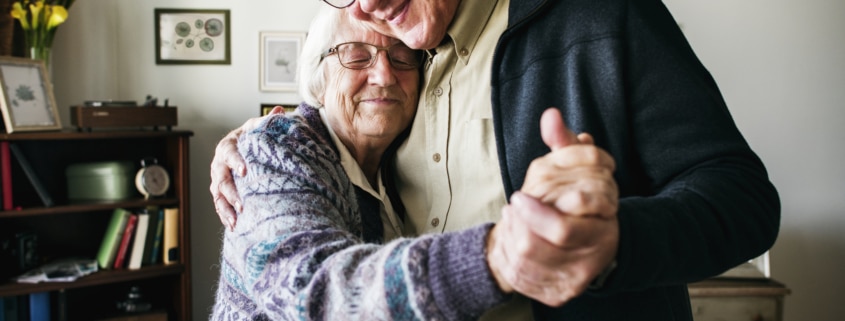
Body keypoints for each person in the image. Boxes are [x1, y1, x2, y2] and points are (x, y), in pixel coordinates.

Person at [211, 0, 781, 320]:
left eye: (391, 60)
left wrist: (615, 241)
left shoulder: (602, 16)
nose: (371, 5)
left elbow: (743, 197)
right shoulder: (403, 63)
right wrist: (267, 139)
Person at [212, 7, 565, 320]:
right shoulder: (273, 151)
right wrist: (498, 256)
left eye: (400, 58)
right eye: (356, 56)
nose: (384, 75)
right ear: (318, 80)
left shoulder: (398, 165)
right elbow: (311, 295)